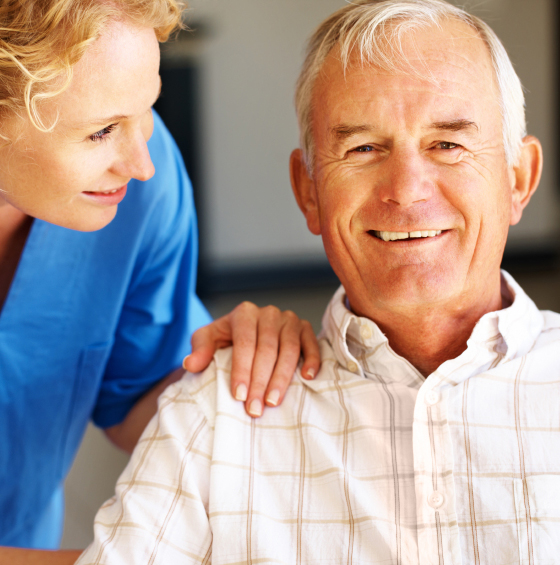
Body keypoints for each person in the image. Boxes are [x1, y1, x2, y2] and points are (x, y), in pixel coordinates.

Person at [76, 0, 560, 563]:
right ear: (308, 191)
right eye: (363, 148)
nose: (406, 189)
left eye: (447, 144)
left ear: (518, 179)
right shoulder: (215, 413)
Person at [0, 0, 321, 562]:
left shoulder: (140, 192)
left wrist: (238, 368)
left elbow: (141, 402)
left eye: (146, 110)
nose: (141, 162)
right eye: (101, 132)